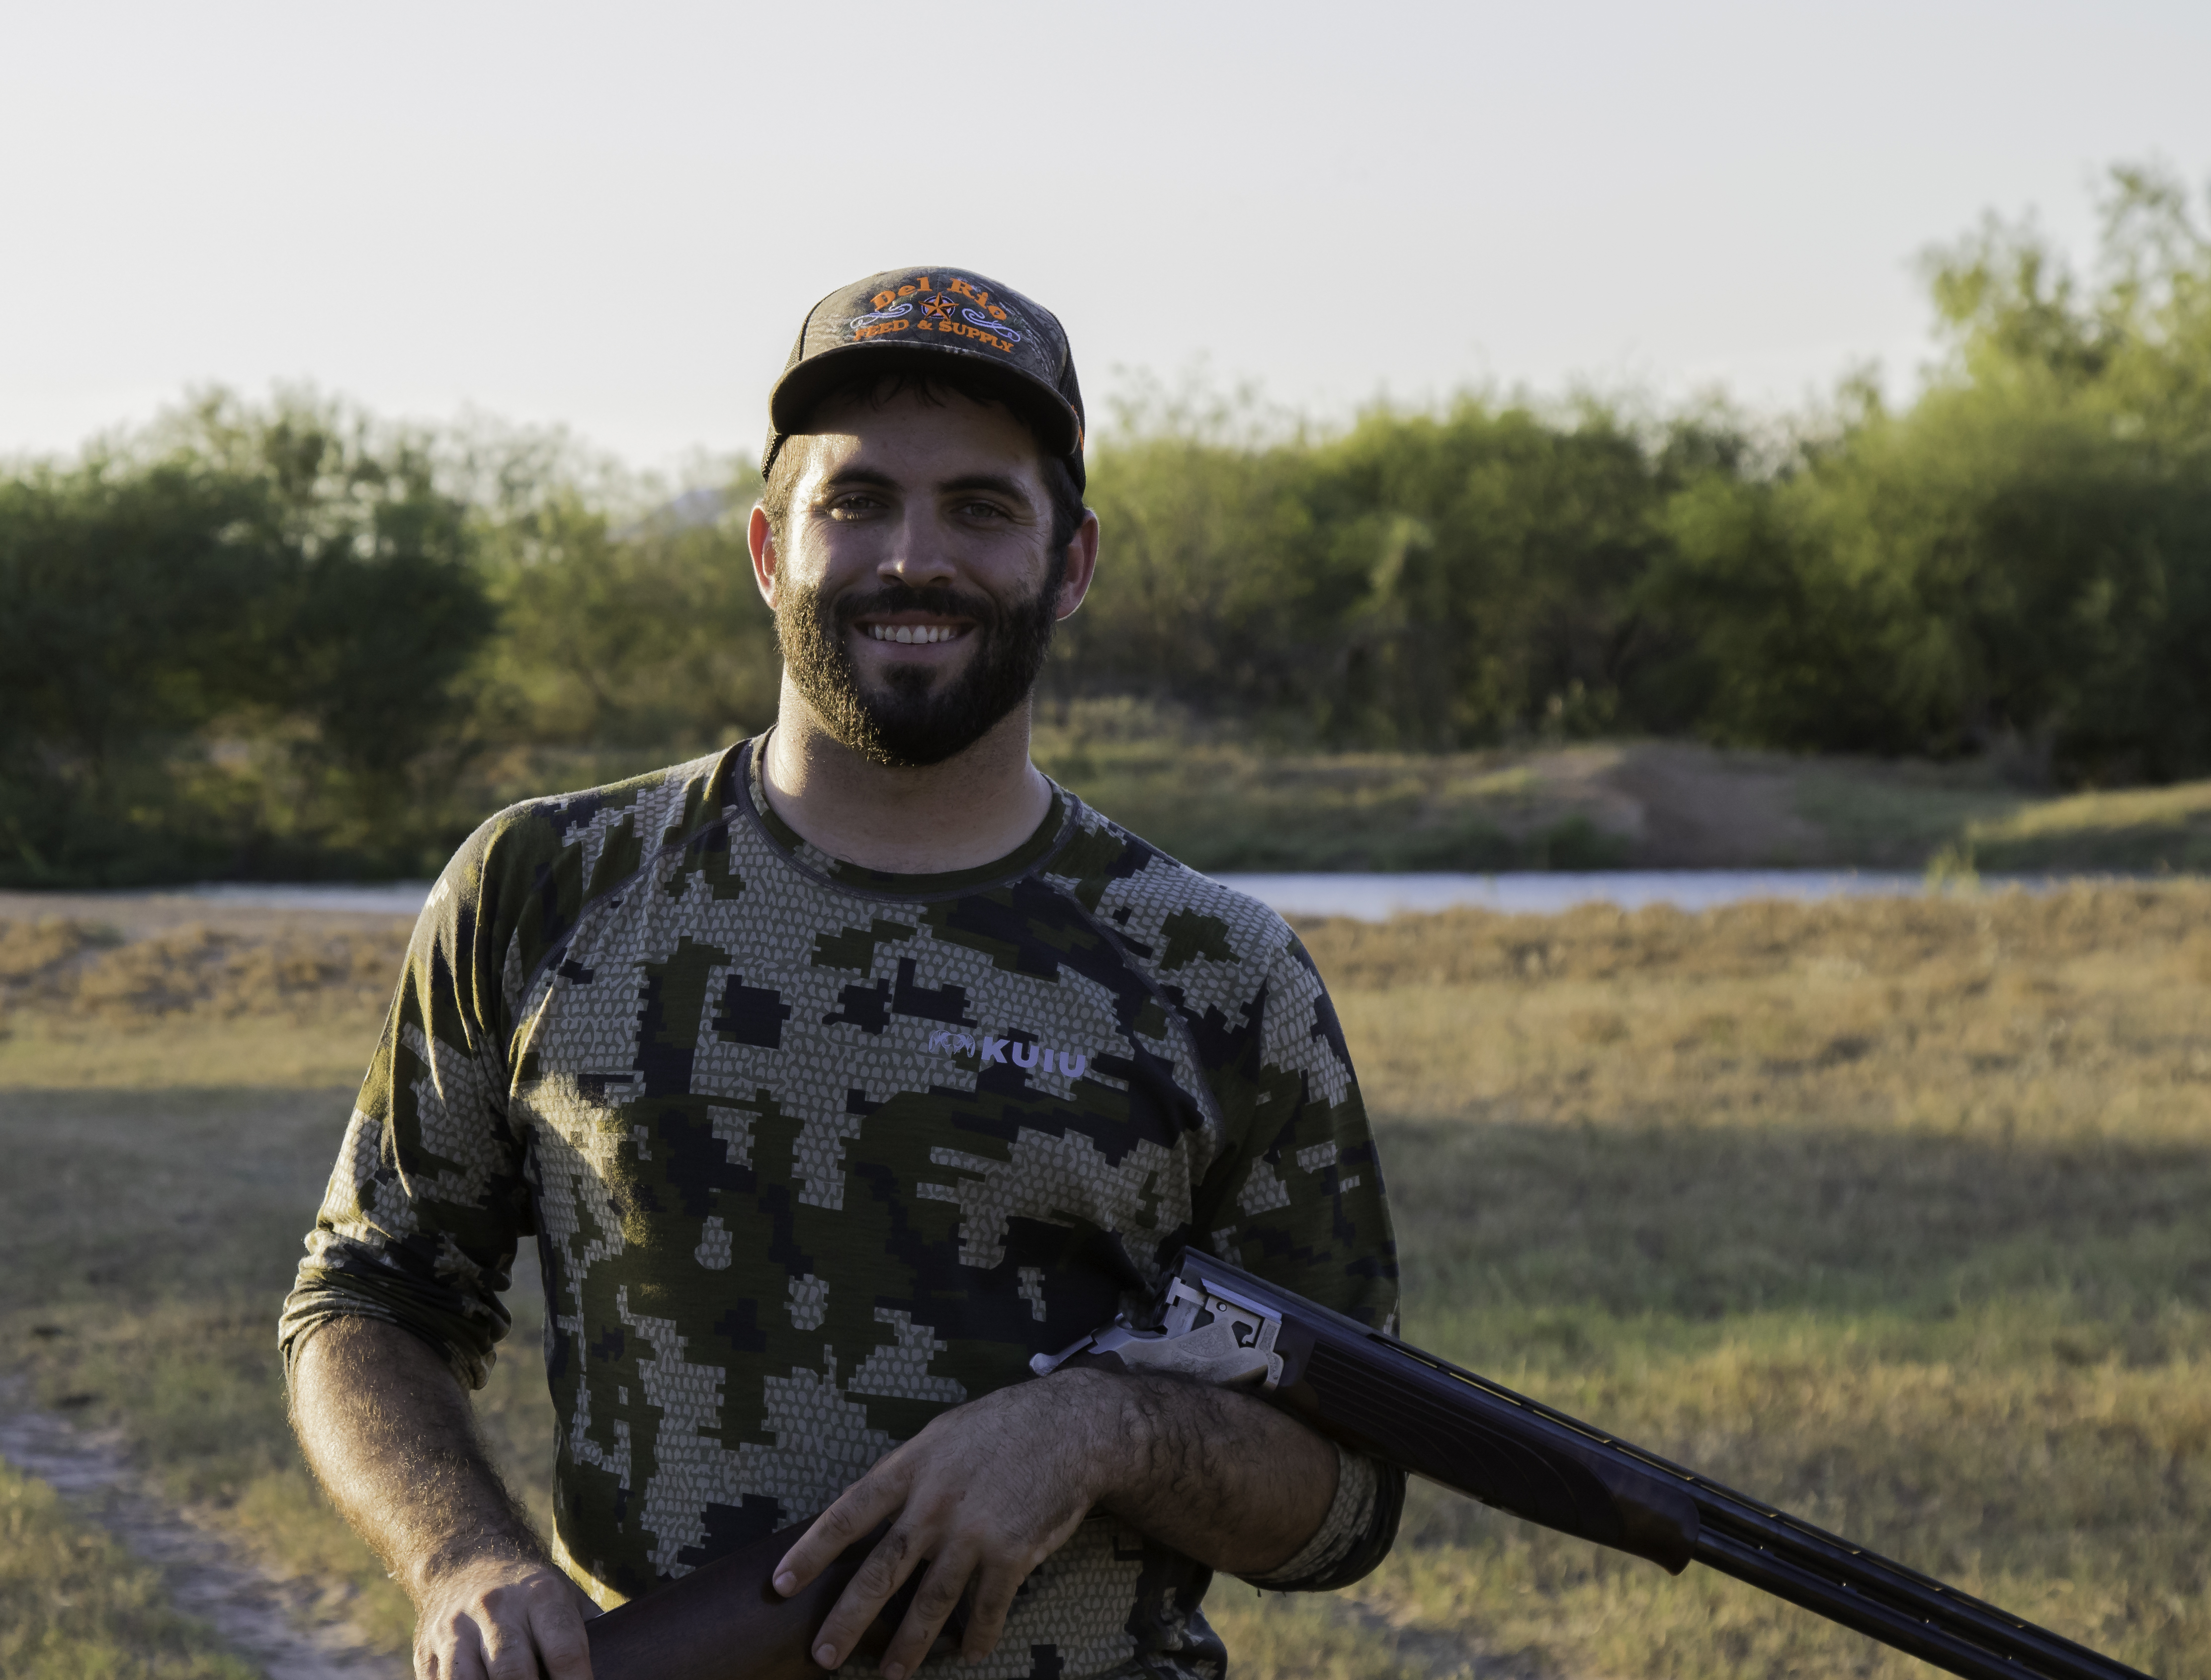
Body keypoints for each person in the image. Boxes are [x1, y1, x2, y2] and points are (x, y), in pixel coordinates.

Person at [280, 266, 1403, 1680]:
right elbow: (366, 1297)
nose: (912, 557)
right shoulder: (544, 888)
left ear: (1072, 563)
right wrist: (464, 1558)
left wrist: (1101, 1430)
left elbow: (1345, 1497)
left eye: (982, 507)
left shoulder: (1217, 969)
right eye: (856, 501)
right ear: (768, 548)